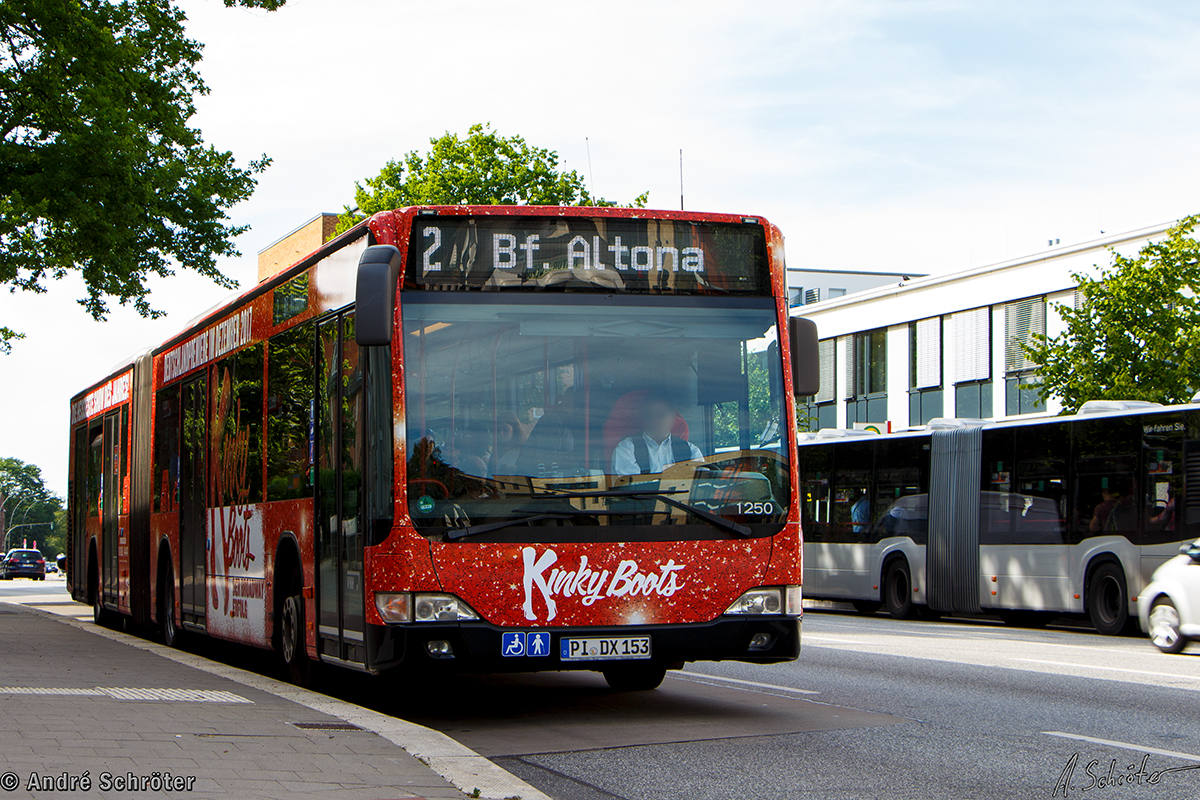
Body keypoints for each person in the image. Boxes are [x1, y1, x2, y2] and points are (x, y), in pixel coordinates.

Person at [611, 392, 702, 476]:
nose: (655, 421)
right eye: (649, 415)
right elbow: (631, 486)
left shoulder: (690, 450)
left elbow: (699, 483)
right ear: (641, 418)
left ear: (674, 417)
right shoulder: (627, 448)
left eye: (661, 415)